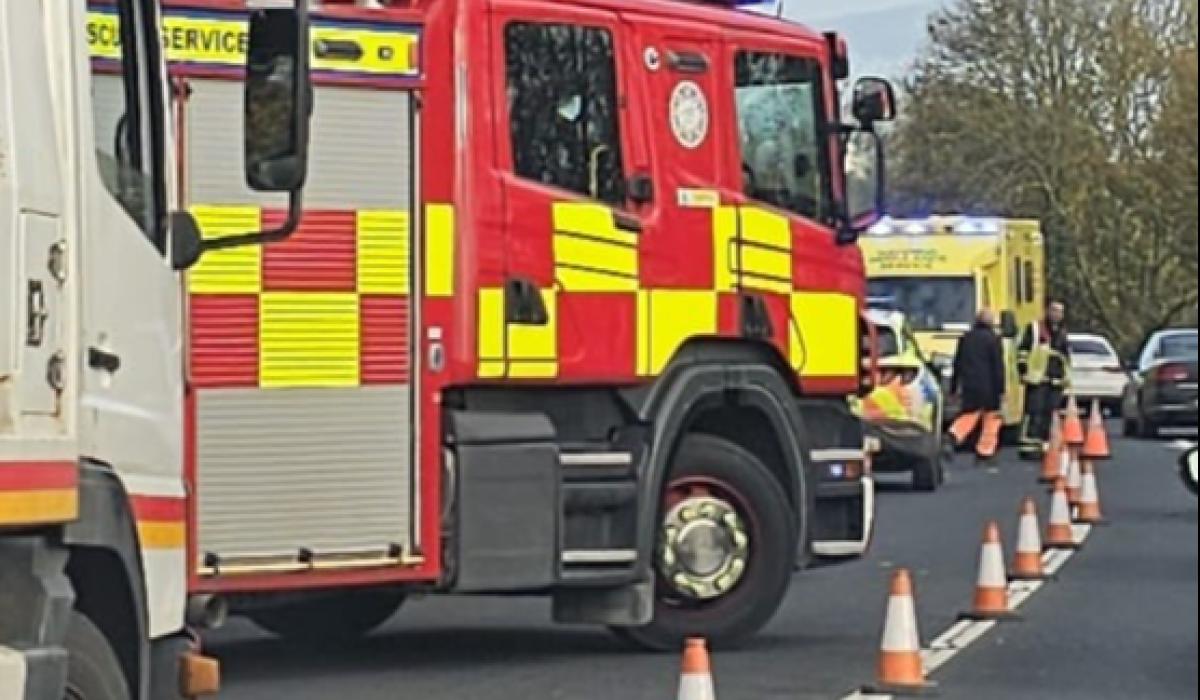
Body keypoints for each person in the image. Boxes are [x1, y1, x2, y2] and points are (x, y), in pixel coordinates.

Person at [948, 308, 1006, 460]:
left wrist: (954, 387)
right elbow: (997, 366)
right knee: (991, 418)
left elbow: (957, 363)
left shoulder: (966, 338)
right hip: (989, 386)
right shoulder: (993, 339)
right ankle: (985, 451)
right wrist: (1001, 389)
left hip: (969, 384)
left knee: (970, 413)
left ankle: (954, 434)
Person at [1016, 300, 1071, 459]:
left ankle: (1047, 447)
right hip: (1037, 379)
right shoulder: (1035, 329)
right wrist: (1023, 371)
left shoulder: (1062, 332)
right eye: (1054, 310)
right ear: (1047, 311)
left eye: (1060, 311)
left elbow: (1065, 358)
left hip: (1055, 381)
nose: (1057, 314)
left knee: (1051, 415)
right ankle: (1029, 448)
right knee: (1034, 413)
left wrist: (1065, 379)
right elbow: (1023, 352)